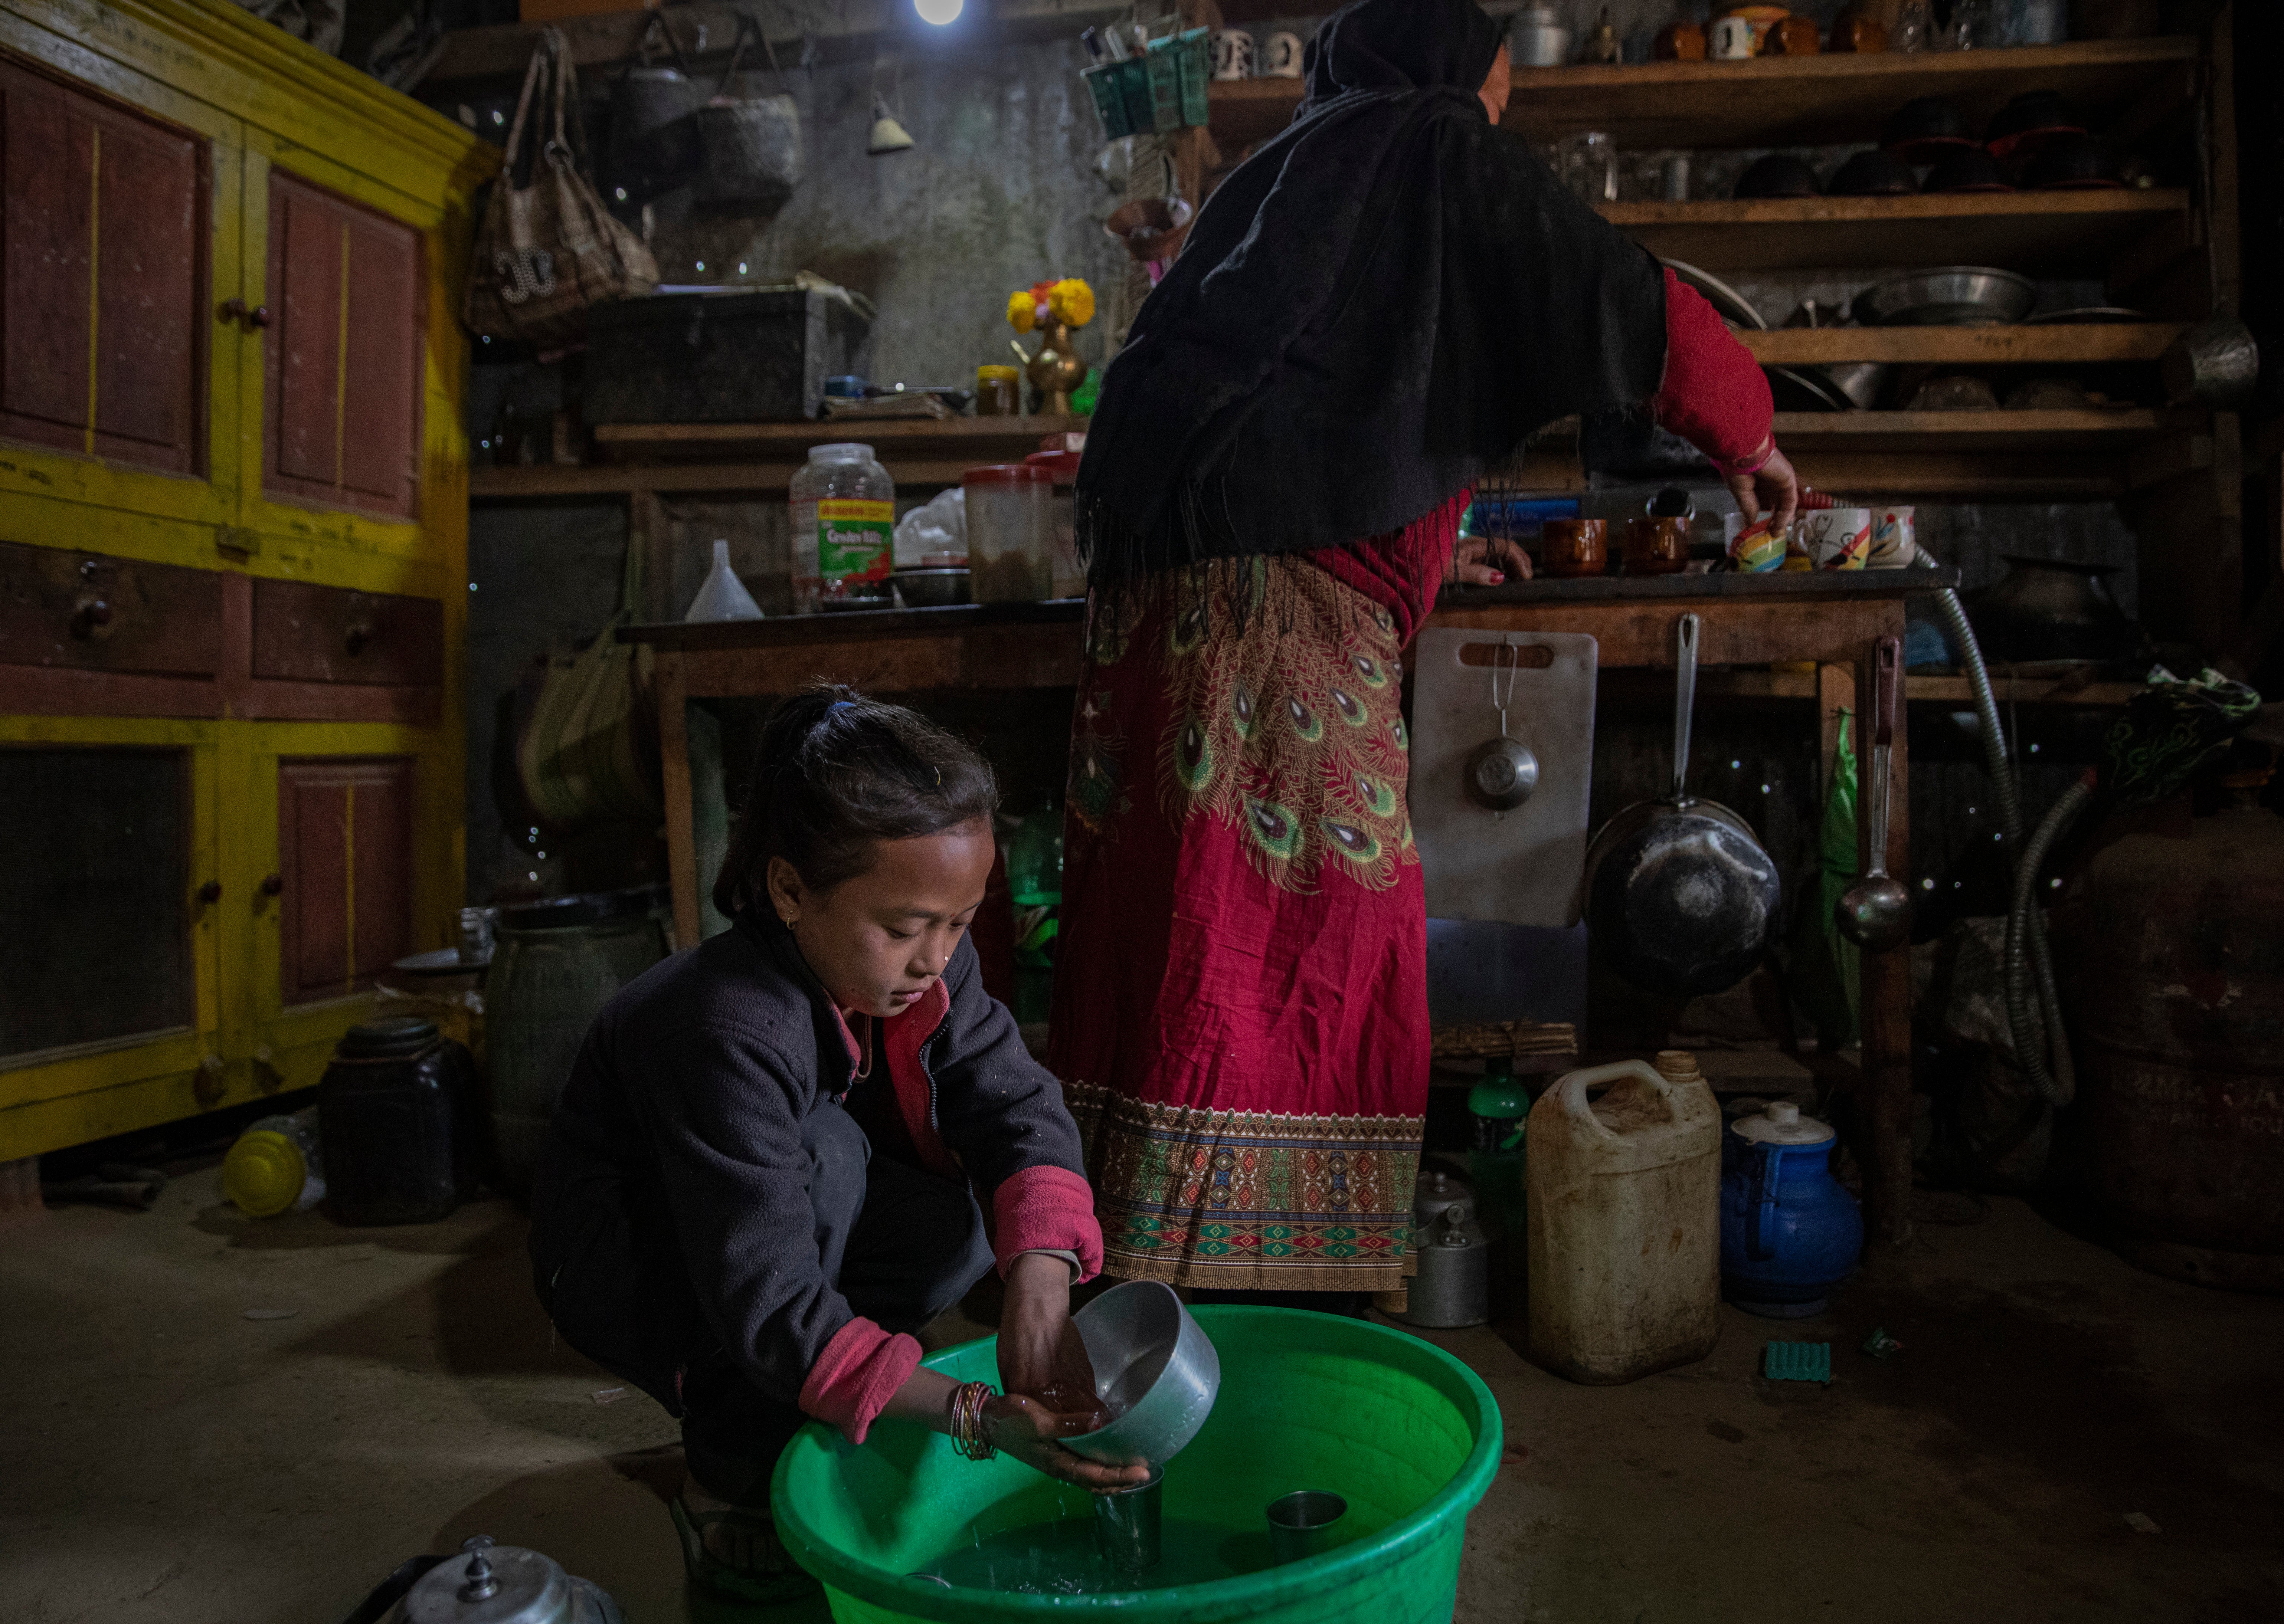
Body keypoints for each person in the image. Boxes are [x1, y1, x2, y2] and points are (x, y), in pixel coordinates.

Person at [1049, 0, 1796, 1305]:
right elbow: (1626, 301)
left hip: (1152, 593)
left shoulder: (1284, 173)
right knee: (1305, 927)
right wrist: (1751, 440)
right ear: (1463, 57)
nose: (1507, 84)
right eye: (1502, 54)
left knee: (1166, 904)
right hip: (1264, 620)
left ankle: (1121, 1249)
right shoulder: (1433, 142)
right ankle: (1264, 1283)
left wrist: (1419, 553)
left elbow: (1297, 392)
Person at [530, 688, 1148, 1602]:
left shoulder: (930, 960)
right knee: (829, 1159)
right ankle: (727, 1459)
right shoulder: (726, 1025)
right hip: (638, 1256)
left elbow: (1014, 1100)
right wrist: (976, 1415)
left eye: (958, 920)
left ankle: (820, 1389)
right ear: (788, 890)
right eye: (903, 928)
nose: (937, 956)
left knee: (959, 1226)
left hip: (767, 1211)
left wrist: (1042, 1287)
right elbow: (769, 1292)